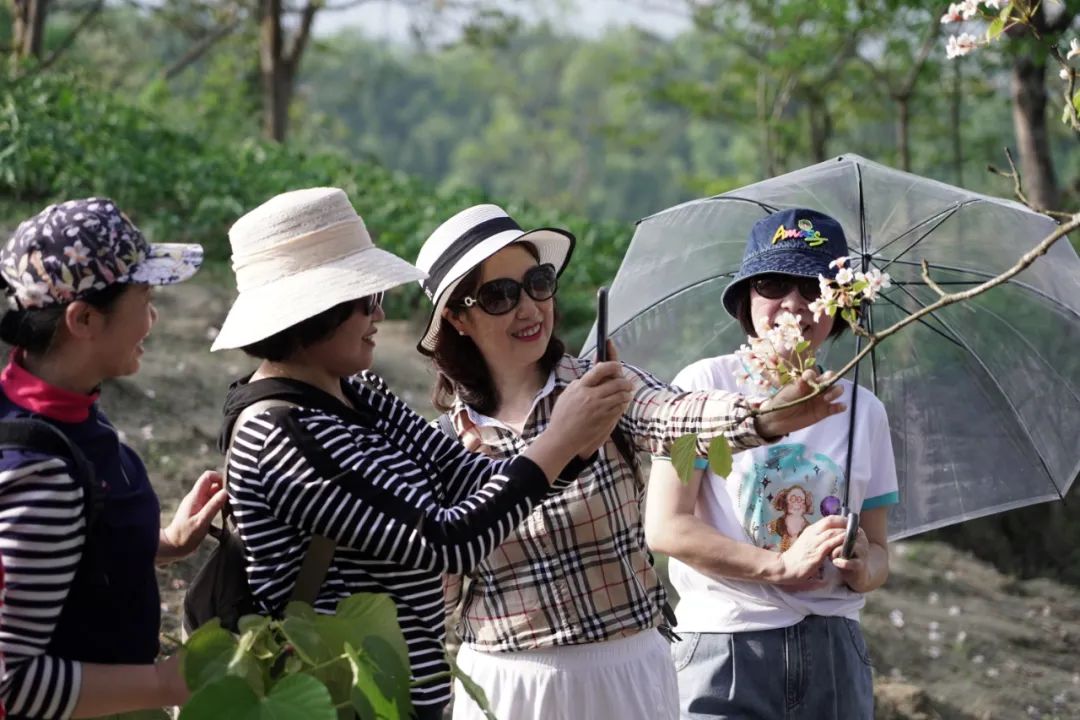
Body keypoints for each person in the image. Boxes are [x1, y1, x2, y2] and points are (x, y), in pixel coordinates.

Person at [209, 187, 632, 719]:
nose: (379, 313)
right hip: (346, 703)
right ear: (313, 314)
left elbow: (467, 477)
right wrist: (558, 441)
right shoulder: (281, 433)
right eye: (363, 301)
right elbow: (445, 540)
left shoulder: (358, 391)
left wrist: (580, 443)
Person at [413, 204, 847, 720]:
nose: (528, 308)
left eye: (537, 282)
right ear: (458, 318)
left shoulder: (602, 386)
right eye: (499, 296)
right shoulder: (443, 444)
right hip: (507, 682)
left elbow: (675, 416)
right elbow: (433, 598)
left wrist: (764, 418)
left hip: (627, 670)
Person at [644, 208, 899, 719]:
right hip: (726, 642)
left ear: (843, 303)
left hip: (834, 651)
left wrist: (861, 564)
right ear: (746, 299)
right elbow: (667, 528)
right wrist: (778, 567)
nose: (794, 304)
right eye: (772, 283)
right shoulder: (701, 387)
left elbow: (879, 554)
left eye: (814, 285)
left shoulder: (863, 411)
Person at [0, 198, 227, 718]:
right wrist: (166, 684)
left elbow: (69, 555)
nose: (153, 318)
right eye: (144, 297)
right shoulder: (40, 476)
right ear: (83, 319)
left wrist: (161, 542)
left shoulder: (63, 403)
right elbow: (11, 683)